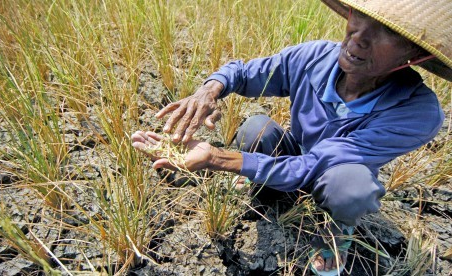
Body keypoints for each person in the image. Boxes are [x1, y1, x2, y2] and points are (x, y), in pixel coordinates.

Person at [132, 0, 452, 274]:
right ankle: (267, 195)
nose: (358, 39)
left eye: (387, 32)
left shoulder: (417, 112)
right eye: (359, 17)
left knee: (350, 188)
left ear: (414, 54)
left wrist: (217, 158)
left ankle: (336, 233)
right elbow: (245, 73)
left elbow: (317, 164)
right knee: (255, 129)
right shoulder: (314, 57)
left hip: (335, 172)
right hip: (296, 150)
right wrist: (209, 90)